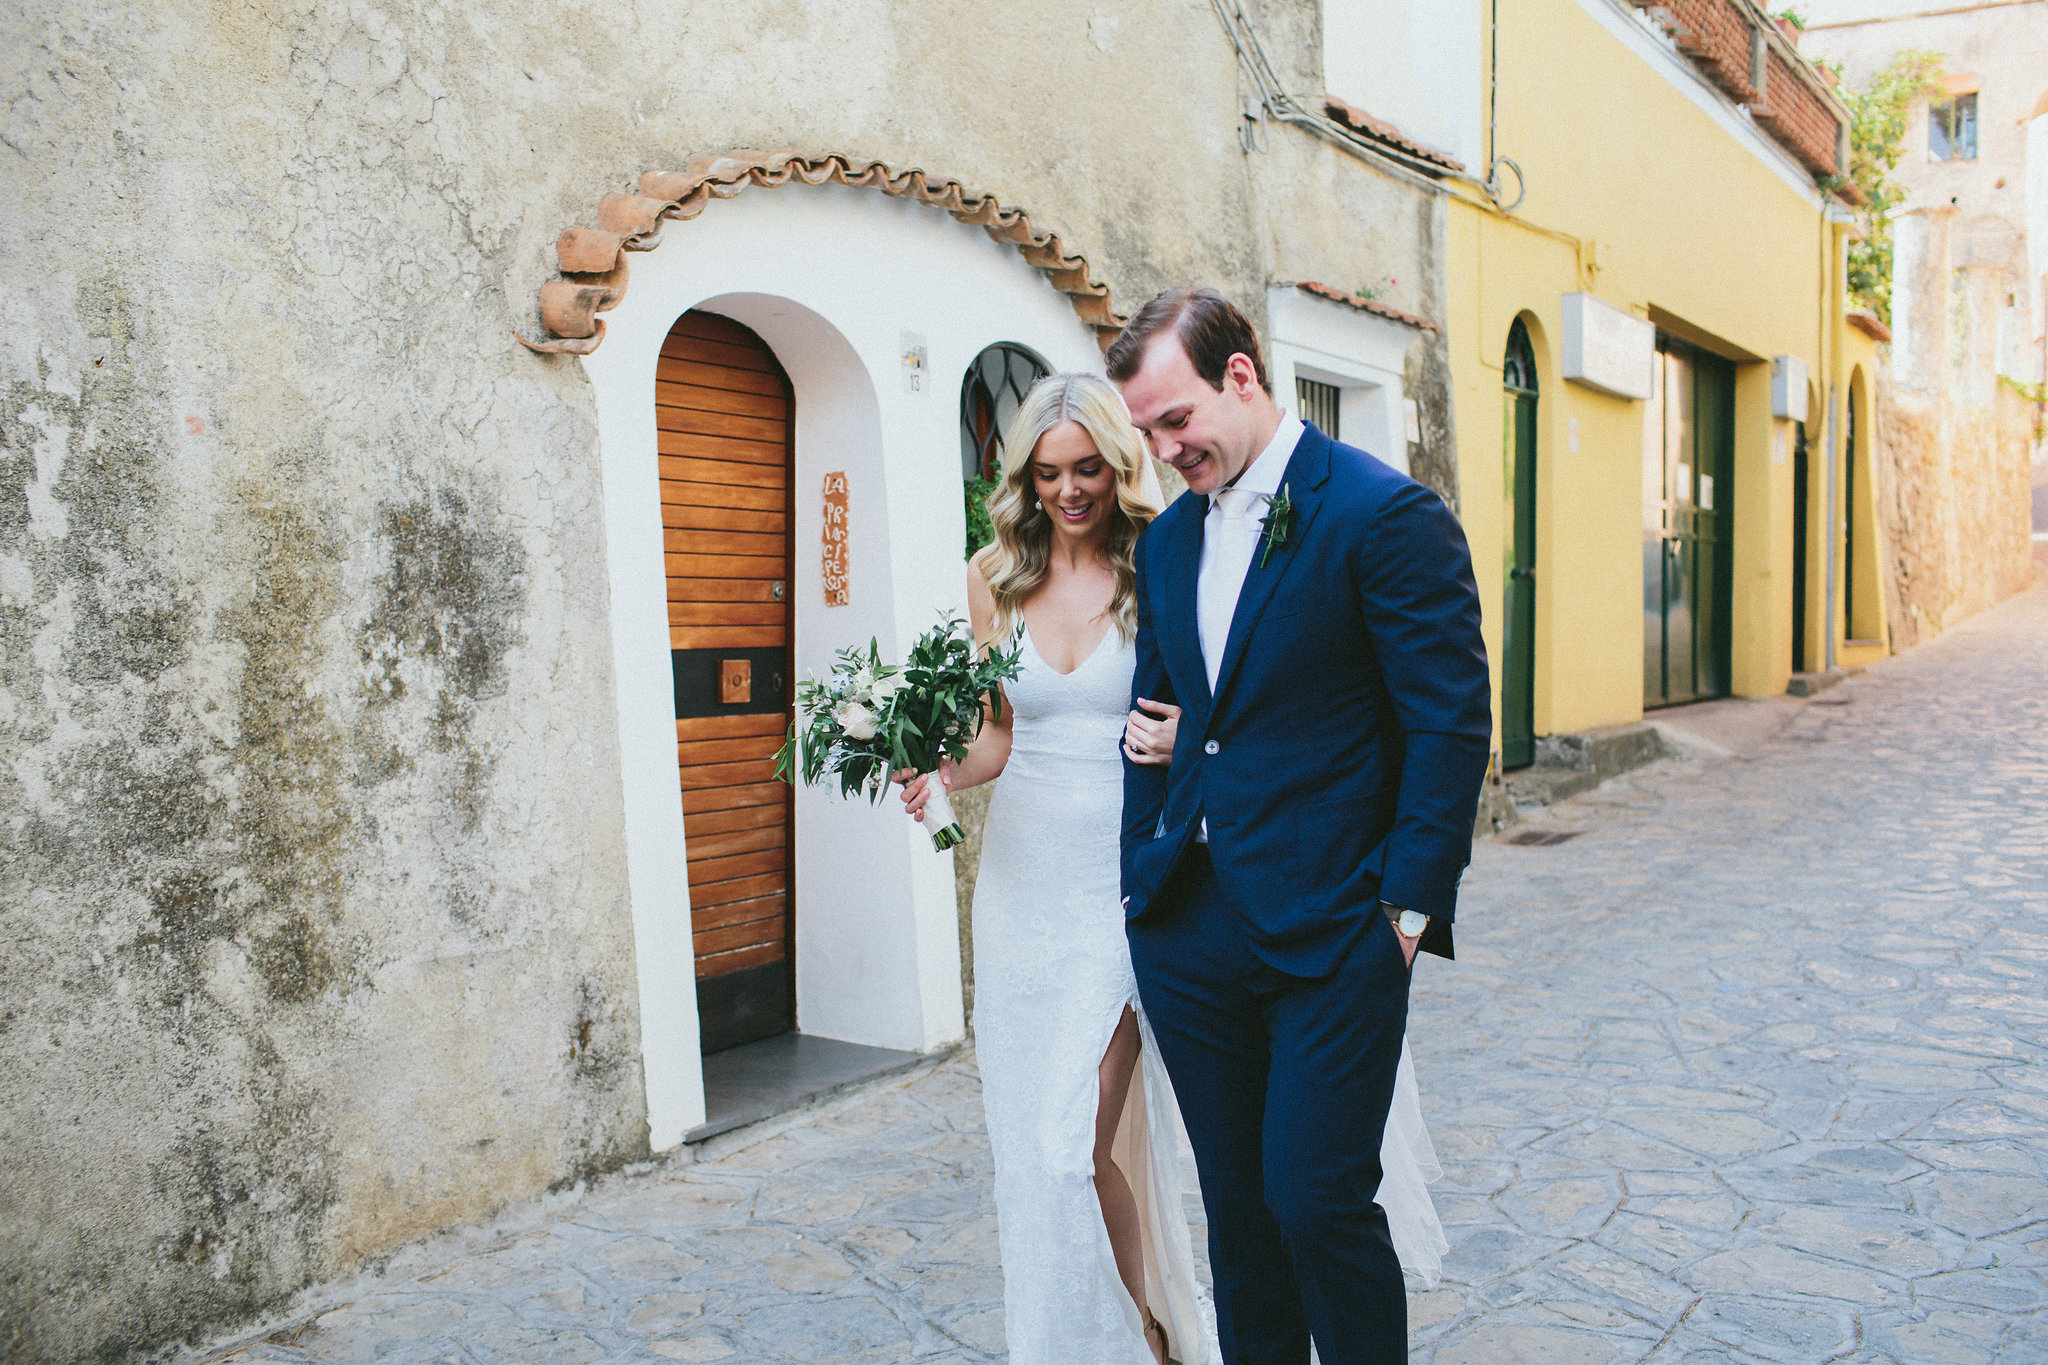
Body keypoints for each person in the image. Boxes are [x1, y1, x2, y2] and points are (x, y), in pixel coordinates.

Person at [901, 370, 1450, 1365]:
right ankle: (1136, 1337)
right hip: (1024, 885)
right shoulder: (992, 577)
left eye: (1087, 470)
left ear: (1117, 465)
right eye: (1047, 472)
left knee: (1076, 1147)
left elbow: (1227, 710)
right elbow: (994, 743)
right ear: (1022, 477)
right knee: (1039, 1159)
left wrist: (1175, 743)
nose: (1069, 491)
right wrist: (933, 762)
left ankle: (1153, 1335)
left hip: (1132, 879)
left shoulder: (1168, 559)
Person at [1110, 288, 1490, 1365]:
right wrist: (1145, 875)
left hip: (1337, 929)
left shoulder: (1381, 515)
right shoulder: (1171, 543)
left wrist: (1406, 908)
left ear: (1240, 376)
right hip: (1191, 927)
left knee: (1315, 1198)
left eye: (1174, 421)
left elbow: (1447, 724)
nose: (1162, 448)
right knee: (1236, 1211)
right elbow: (1162, 717)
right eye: (1145, 431)